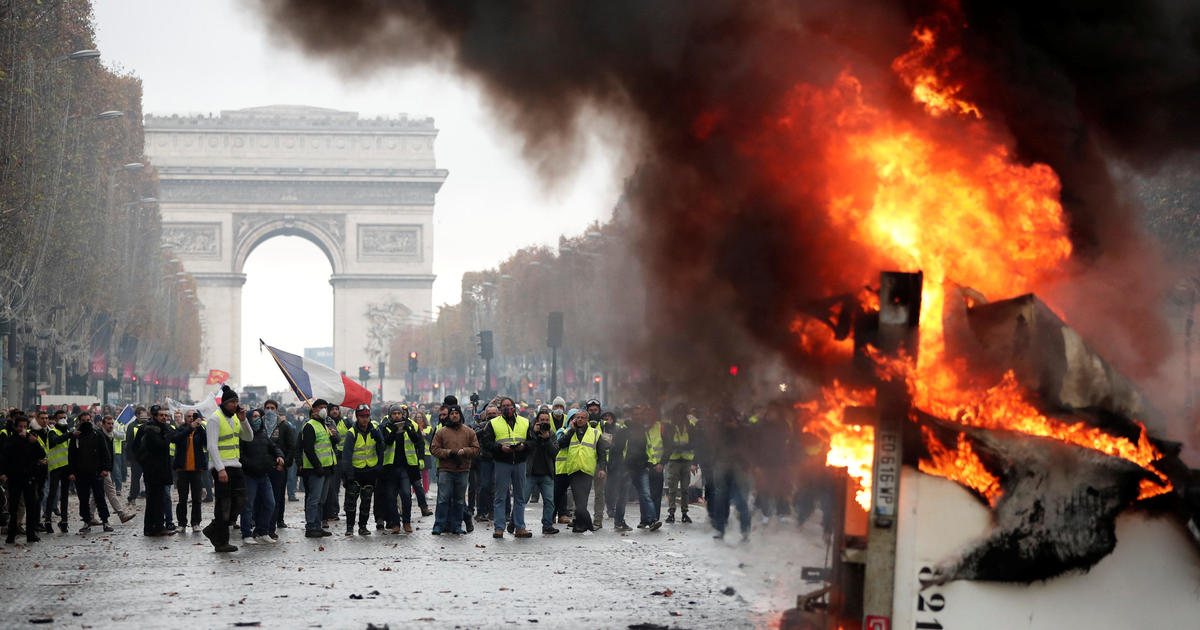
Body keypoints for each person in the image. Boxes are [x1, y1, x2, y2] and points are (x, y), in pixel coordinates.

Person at [202, 386, 253, 552]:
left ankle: (214, 528)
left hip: (236, 465)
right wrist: (220, 468)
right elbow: (211, 446)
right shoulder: (215, 419)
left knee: (242, 499)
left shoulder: (236, 418)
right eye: (232, 402)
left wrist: (244, 420)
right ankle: (222, 542)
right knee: (223, 505)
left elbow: (248, 437)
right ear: (224, 403)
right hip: (222, 467)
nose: (235, 404)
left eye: (236, 401)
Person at [478, 396, 534, 539]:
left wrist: (523, 447)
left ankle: (520, 527)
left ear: (514, 407)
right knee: (500, 497)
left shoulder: (525, 422)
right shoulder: (493, 424)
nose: (506, 408)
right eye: (503, 406)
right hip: (502, 462)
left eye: (509, 405)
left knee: (519, 497)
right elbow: (486, 443)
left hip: (520, 462)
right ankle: (499, 528)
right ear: (500, 409)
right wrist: (500, 448)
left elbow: (533, 442)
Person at [429, 404, 479, 535]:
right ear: (449, 416)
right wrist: (449, 453)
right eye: (452, 414)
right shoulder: (441, 432)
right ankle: (438, 525)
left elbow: (476, 449)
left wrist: (465, 451)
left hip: (463, 470)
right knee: (443, 499)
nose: (454, 415)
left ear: (460, 415)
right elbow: (434, 449)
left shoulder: (469, 432)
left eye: (457, 413)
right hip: (446, 469)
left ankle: (457, 525)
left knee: (459, 500)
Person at [556, 408, 606, 533]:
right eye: (577, 417)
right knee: (579, 499)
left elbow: (602, 453)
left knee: (581, 499)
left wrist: (602, 469)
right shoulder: (570, 432)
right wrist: (571, 430)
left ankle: (582, 524)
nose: (579, 419)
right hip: (573, 469)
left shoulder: (594, 433)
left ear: (587, 420)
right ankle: (584, 524)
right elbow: (560, 444)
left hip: (587, 470)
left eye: (582, 417)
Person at [240, 407, 285, 544]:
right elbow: (241, 456)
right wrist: (252, 465)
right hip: (250, 476)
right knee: (248, 506)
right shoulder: (243, 435)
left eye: (259, 416)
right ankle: (246, 533)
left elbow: (274, 447)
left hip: (264, 476)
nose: (257, 419)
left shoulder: (263, 434)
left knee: (270, 503)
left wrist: (279, 456)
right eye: (254, 416)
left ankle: (262, 531)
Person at [709, 407, 752, 541]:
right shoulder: (720, 432)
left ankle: (745, 530)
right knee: (721, 500)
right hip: (723, 467)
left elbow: (747, 449)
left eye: (731, 420)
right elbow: (714, 448)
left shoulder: (742, 432)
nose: (729, 423)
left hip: (737, 469)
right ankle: (721, 529)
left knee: (740, 500)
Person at [66, 411, 113, 533]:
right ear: (79, 422)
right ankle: (86, 521)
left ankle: (105, 521)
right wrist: (71, 472)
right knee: (83, 499)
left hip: (96, 472)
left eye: (88, 420)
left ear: (91, 421)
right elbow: (71, 455)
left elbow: (105, 453)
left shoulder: (98, 434)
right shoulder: (75, 436)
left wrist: (105, 469)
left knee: (100, 498)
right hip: (80, 474)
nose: (86, 422)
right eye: (83, 420)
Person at [341, 403, 384, 536]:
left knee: (366, 502)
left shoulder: (375, 429)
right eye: (362, 417)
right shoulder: (351, 433)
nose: (365, 419)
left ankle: (363, 526)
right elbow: (346, 456)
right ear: (357, 418)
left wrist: (378, 439)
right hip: (355, 472)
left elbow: (382, 449)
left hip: (370, 471)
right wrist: (348, 475)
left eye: (367, 416)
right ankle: (349, 527)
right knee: (351, 502)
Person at [3, 414, 44, 544]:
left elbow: (41, 454)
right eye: (20, 427)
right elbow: (5, 456)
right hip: (15, 477)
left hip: (29, 477)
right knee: (14, 507)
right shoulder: (11, 440)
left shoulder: (31, 439)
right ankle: (11, 533)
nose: (23, 429)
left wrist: (35, 442)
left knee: (31, 506)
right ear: (16, 427)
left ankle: (31, 533)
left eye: (25, 427)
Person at [622, 405, 663, 531]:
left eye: (640, 414)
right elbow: (621, 447)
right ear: (632, 415)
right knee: (623, 496)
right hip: (628, 468)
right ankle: (619, 521)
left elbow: (649, 448)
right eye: (636, 414)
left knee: (645, 494)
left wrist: (650, 463)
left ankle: (652, 520)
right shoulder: (625, 429)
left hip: (642, 468)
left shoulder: (643, 430)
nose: (638, 416)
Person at [299, 399, 336, 538]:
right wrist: (318, 466)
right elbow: (308, 449)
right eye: (321, 407)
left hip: (327, 468)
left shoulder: (324, 425)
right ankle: (311, 526)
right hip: (315, 470)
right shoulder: (309, 426)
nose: (324, 410)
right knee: (313, 500)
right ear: (313, 409)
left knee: (322, 500)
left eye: (325, 407)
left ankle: (318, 526)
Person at [138, 405, 175, 537]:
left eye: (165, 415)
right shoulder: (151, 431)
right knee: (155, 500)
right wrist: (144, 463)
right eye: (161, 415)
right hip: (154, 471)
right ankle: (153, 527)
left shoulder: (162, 428)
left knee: (159, 500)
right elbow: (161, 445)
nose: (164, 417)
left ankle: (156, 526)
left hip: (161, 470)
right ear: (154, 416)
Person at [523, 409, 560, 534]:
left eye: (547, 420)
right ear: (536, 421)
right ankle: (515, 523)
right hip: (530, 473)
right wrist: (534, 434)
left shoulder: (552, 434)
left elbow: (555, 452)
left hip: (546, 473)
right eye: (542, 420)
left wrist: (547, 439)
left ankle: (547, 525)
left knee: (549, 501)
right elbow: (526, 448)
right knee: (522, 500)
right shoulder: (529, 432)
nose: (544, 423)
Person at [170, 411, 207, 533]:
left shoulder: (200, 430)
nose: (191, 418)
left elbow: (206, 443)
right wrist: (190, 428)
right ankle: (182, 523)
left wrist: (199, 427)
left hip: (197, 469)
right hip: (182, 469)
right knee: (182, 498)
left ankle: (196, 522)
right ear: (184, 418)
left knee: (197, 498)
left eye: (194, 416)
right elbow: (175, 439)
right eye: (189, 416)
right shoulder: (180, 429)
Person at [265, 400, 296, 533]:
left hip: (279, 466)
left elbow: (291, 447)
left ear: (277, 410)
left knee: (278, 495)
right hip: (263, 467)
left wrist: (286, 464)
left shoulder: (284, 426)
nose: (270, 410)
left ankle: (279, 519)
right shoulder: (259, 425)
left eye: (272, 408)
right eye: (267, 408)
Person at [663, 403, 697, 524]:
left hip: (686, 460)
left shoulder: (690, 426)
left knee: (685, 489)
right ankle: (671, 512)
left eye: (682, 413)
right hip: (674, 459)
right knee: (672, 488)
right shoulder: (671, 426)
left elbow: (695, 442)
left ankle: (684, 513)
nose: (680, 415)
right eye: (679, 413)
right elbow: (667, 442)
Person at [98, 415, 135, 524]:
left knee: (100, 493)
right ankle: (120, 514)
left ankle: (89, 517)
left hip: (105, 469)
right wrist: (103, 468)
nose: (111, 426)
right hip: (100, 470)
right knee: (105, 492)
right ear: (103, 424)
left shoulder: (110, 435)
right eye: (108, 424)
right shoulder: (100, 435)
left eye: (111, 424)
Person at [43, 410, 71, 533]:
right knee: (52, 494)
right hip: (55, 468)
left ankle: (64, 521)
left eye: (65, 417)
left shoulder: (69, 432)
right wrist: (69, 435)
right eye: (60, 418)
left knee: (65, 496)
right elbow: (55, 441)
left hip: (67, 468)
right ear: (55, 419)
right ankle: (48, 520)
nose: (63, 420)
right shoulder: (52, 432)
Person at [322, 405, 347, 525]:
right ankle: (333, 512)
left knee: (350, 486)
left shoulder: (346, 422)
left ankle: (349, 509)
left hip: (346, 458)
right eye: (332, 409)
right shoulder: (326, 424)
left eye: (337, 409)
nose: (335, 411)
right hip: (335, 457)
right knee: (333, 487)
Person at [125, 407, 149, 503]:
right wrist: (130, 457)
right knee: (135, 478)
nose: (145, 417)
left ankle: (148, 494)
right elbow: (129, 443)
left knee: (149, 478)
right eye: (143, 415)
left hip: (148, 457)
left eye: (145, 415)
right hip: (136, 458)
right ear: (137, 415)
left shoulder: (149, 425)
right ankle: (133, 496)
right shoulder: (131, 426)